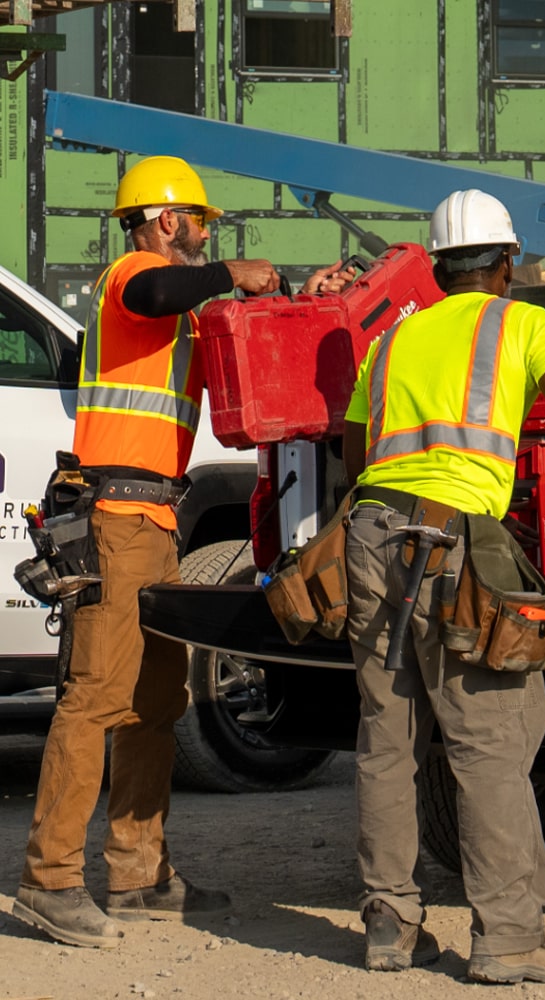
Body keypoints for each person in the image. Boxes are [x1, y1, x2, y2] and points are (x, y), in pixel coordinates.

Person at [13, 156, 351, 948]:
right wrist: (232, 271)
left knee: (157, 704)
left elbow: (239, 334)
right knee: (95, 696)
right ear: (169, 220)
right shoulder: (133, 278)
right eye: (200, 223)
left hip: (157, 522)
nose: (205, 237)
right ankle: (49, 878)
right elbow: (160, 291)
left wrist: (300, 294)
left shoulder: (186, 314)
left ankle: (137, 874)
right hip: (117, 518)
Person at [340, 189, 545, 982]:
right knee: (489, 743)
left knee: (388, 740)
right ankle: (508, 940)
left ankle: (389, 925)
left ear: (434, 268)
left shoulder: (391, 340)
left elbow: (356, 447)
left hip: (370, 534)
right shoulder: (523, 323)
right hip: (455, 540)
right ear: (506, 263)